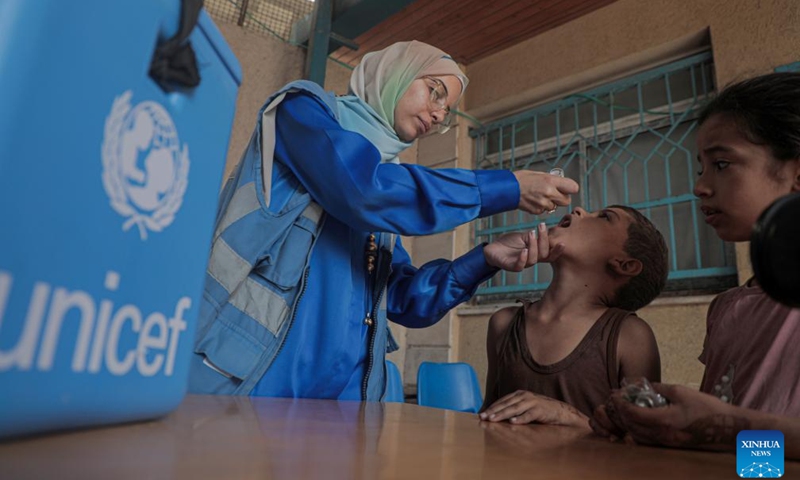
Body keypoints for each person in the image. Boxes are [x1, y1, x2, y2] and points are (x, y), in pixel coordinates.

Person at [187, 40, 579, 401]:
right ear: (395, 73)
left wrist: (485, 259)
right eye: (435, 91)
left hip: (339, 405)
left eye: (445, 111)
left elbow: (407, 300)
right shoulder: (303, 112)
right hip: (248, 379)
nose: (439, 113)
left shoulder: (388, 190)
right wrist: (505, 188)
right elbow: (361, 188)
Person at [591, 72, 800, 456]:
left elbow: (733, 434)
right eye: (700, 167)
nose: (700, 186)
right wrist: (659, 426)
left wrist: (723, 430)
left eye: (721, 164)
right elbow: (752, 458)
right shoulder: (727, 308)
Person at [479, 204, 669, 429]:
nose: (579, 209)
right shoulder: (504, 323)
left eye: (605, 217)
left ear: (624, 264)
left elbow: (644, 439)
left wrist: (567, 417)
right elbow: (487, 420)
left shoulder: (629, 337)